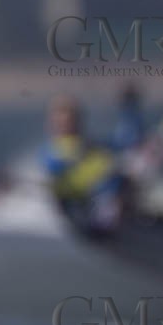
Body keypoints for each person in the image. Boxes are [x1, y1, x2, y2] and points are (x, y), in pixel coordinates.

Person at [40, 95, 128, 236]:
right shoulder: (51, 150)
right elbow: (52, 169)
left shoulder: (89, 146)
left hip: (98, 201)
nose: (64, 126)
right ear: (52, 123)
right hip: (72, 203)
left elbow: (121, 144)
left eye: (69, 121)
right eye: (60, 122)